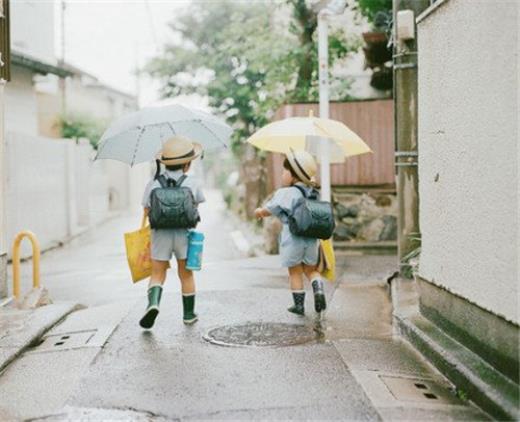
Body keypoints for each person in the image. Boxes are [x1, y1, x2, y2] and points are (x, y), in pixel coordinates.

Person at [139, 135, 205, 329]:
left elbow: (146, 207)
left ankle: (153, 304)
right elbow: (198, 202)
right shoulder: (192, 182)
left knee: (157, 273)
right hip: (184, 235)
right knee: (186, 275)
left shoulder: (153, 183)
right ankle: (189, 314)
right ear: (187, 164)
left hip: (160, 234)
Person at [254, 150, 326, 316]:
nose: (282, 174)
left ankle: (299, 306)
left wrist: (259, 212)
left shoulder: (286, 193)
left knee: (294, 272)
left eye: (284, 171)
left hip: (293, 239)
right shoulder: (314, 192)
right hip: (310, 239)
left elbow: (270, 209)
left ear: (294, 175)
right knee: (311, 270)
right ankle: (318, 287)